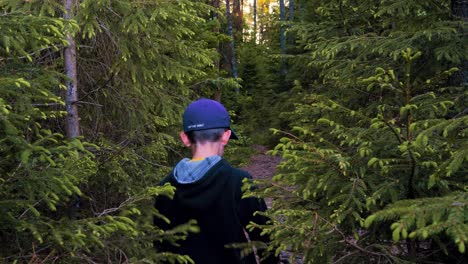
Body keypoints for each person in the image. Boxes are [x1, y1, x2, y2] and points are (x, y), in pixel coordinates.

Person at [154, 98, 277, 264]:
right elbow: (265, 239)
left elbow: (160, 245)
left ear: (185, 138)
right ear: (226, 136)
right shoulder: (239, 181)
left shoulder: (165, 187)